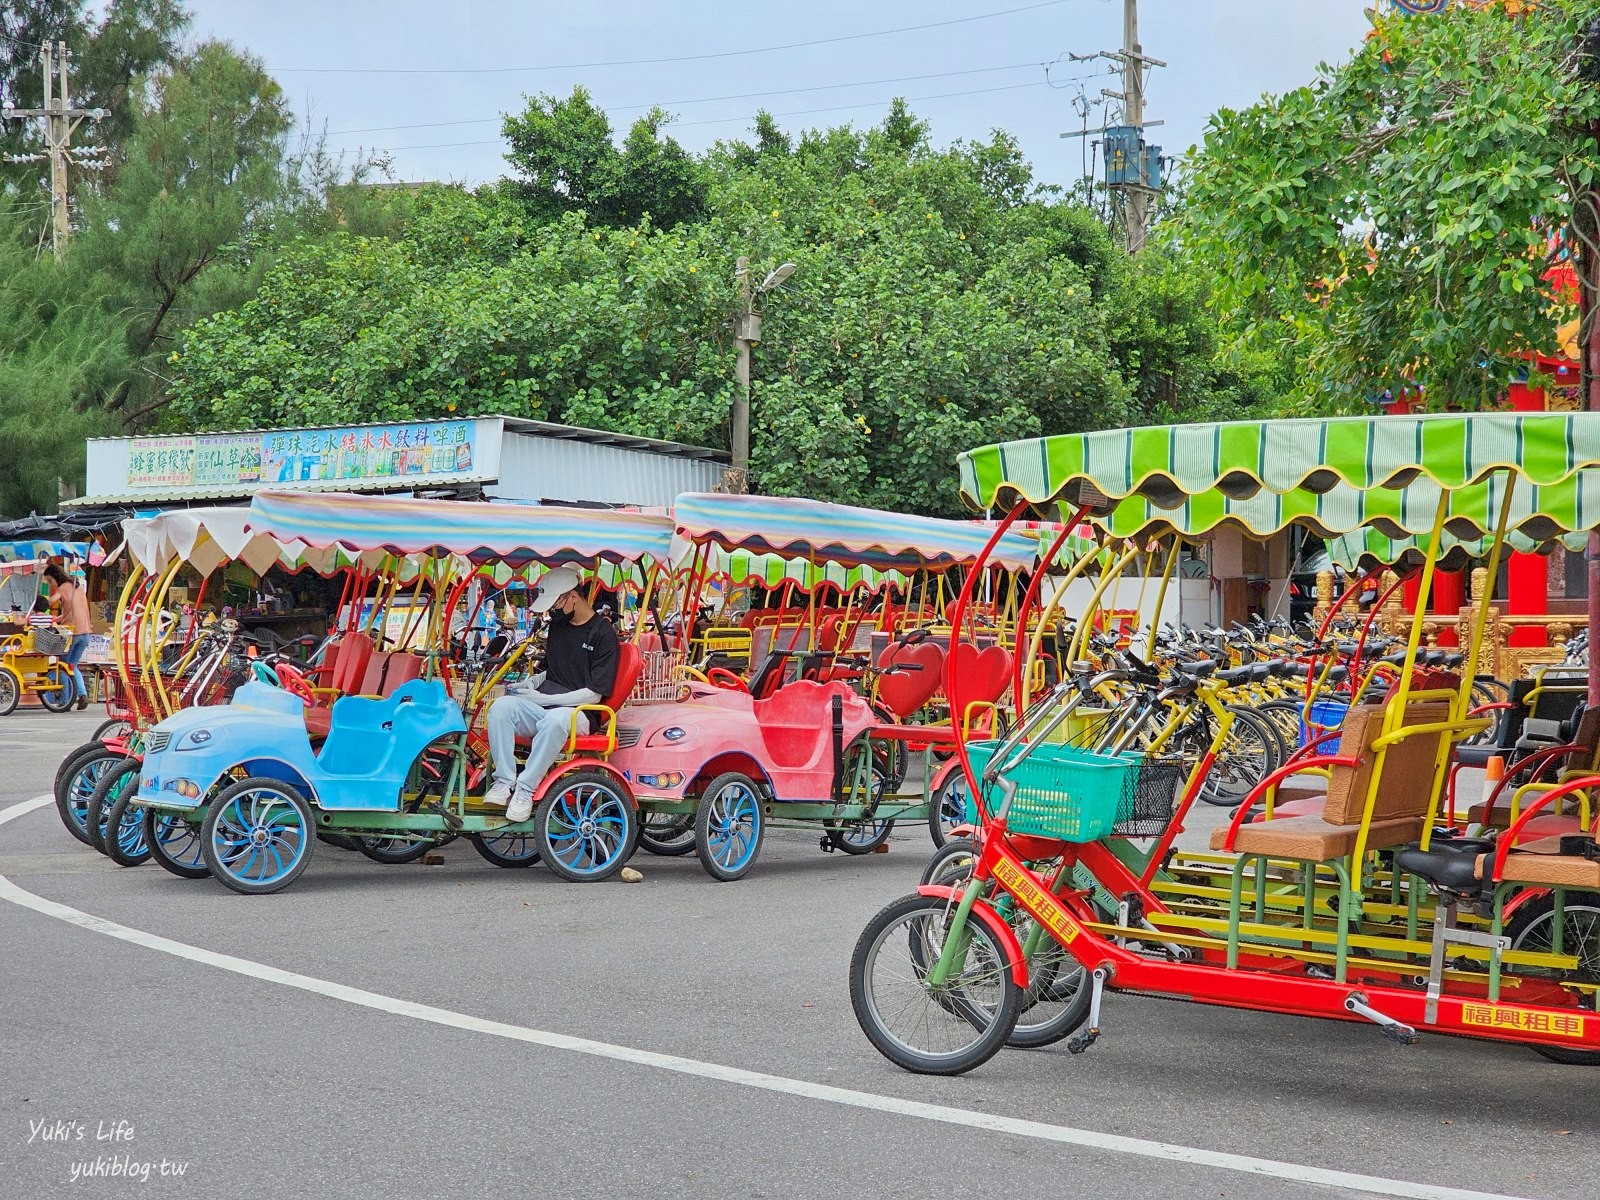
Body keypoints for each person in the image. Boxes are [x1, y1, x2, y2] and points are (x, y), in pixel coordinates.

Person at [485, 567, 619, 822]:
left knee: (556, 719)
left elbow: (594, 695)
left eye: (557, 603)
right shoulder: (558, 625)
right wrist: (530, 684)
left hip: (580, 714)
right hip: (545, 706)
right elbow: (551, 670)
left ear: (573, 597)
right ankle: (503, 781)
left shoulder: (603, 634)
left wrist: (545, 700)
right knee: (500, 707)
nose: (552, 610)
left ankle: (526, 788)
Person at [43, 562, 91, 710]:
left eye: (50, 581)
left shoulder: (63, 588)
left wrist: (40, 599)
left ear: (55, 577)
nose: (51, 585)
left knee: (62, 666)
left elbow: (50, 601)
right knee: (72, 665)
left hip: (73, 633)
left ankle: (65, 700)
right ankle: (82, 694)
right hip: (86, 632)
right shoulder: (77, 587)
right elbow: (71, 612)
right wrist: (56, 619)